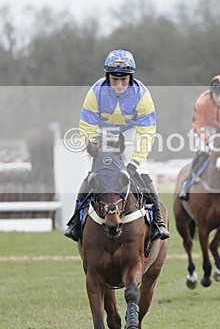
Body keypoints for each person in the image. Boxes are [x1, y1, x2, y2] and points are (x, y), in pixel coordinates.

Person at [64, 49, 170, 243]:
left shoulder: (142, 95)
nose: (119, 84)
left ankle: (157, 222)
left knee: (142, 173)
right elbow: (86, 126)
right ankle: (75, 221)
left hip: (131, 135)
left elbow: (146, 133)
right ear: (107, 77)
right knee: (93, 174)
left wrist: (133, 164)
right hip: (102, 135)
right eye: (115, 79)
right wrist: (93, 149)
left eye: (124, 80)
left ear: (131, 77)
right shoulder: (95, 92)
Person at [178, 74, 220, 204]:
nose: (219, 98)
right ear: (211, 93)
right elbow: (198, 124)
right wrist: (208, 141)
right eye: (216, 94)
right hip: (206, 129)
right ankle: (188, 183)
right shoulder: (202, 101)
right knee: (201, 151)